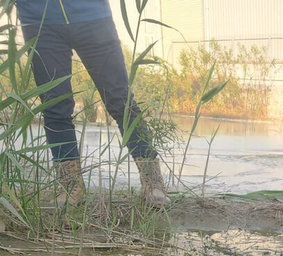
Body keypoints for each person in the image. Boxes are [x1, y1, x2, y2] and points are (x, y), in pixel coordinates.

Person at [16, 0, 169, 208]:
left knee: (120, 101)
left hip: (92, 15)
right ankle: (70, 187)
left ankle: (153, 183)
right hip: (38, 19)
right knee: (54, 105)